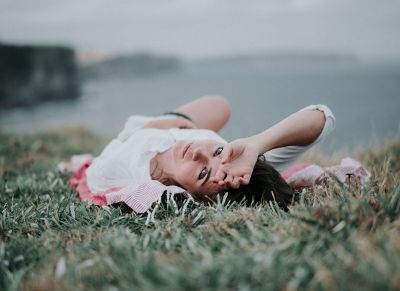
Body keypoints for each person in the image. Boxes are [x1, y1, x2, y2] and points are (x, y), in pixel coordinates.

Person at [65, 95, 335, 213]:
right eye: (219, 152)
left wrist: (156, 127)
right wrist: (256, 145)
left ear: (193, 196)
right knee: (221, 105)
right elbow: (322, 116)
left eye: (203, 173)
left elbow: (96, 177)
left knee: (211, 113)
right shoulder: (242, 166)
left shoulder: (128, 170)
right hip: (182, 126)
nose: (198, 154)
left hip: (149, 130)